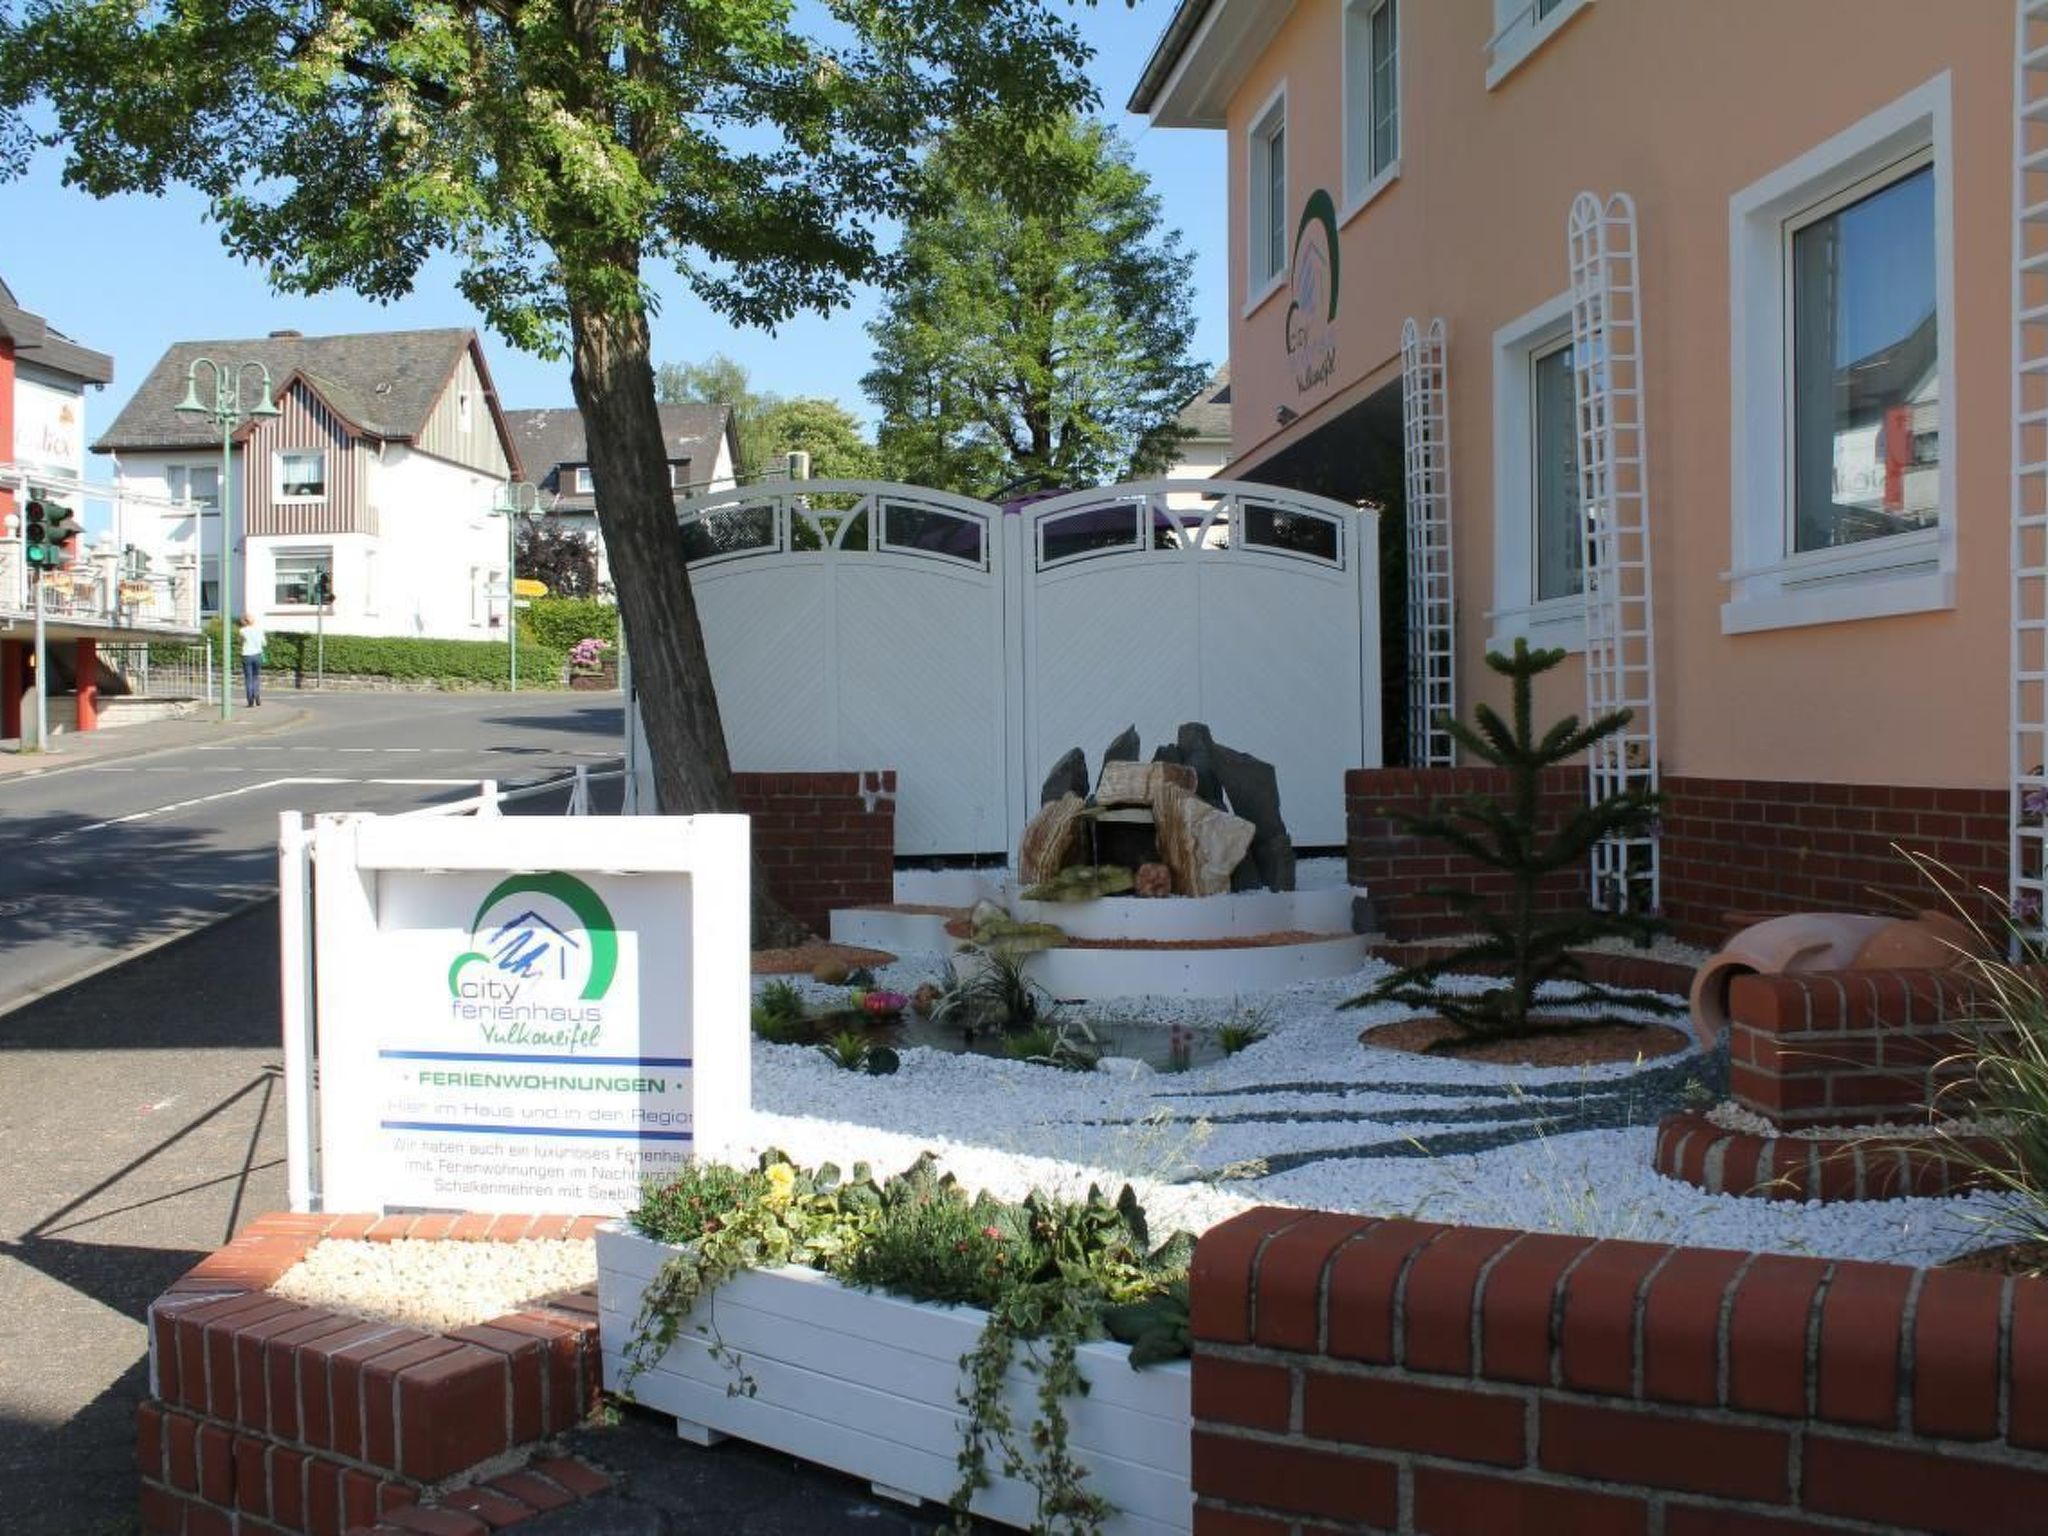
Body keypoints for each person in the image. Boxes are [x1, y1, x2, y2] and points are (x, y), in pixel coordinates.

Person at [238, 613, 266, 707]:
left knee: (248, 678)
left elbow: (240, 642)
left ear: (245, 621)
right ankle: (257, 696)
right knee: (256, 676)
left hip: (246, 655)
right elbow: (264, 643)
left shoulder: (242, 630)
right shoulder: (259, 630)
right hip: (257, 655)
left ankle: (250, 700)